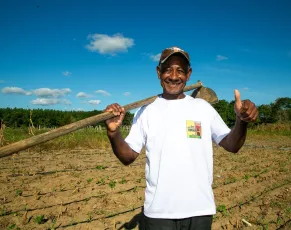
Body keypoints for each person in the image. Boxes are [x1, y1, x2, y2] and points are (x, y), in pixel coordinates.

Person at [104, 46, 258, 230]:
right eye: (168, 69)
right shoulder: (146, 111)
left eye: (180, 70)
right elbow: (127, 156)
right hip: (158, 214)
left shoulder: (203, 108)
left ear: (189, 74)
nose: (174, 76)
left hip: (200, 211)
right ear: (158, 72)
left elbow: (232, 145)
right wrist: (114, 133)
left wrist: (242, 122)